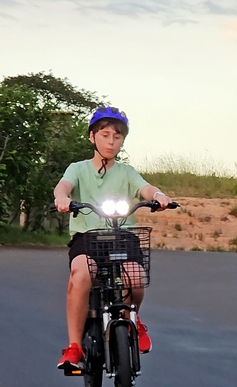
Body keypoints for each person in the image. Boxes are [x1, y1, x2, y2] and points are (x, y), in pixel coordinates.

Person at [54, 106, 173, 371]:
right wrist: (62, 197)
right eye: (105, 135)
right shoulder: (78, 169)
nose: (111, 142)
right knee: (81, 274)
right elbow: (64, 185)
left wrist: (158, 196)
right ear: (92, 137)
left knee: (136, 276)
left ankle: (134, 319)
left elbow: (145, 188)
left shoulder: (126, 172)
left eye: (117, 137)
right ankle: (74, 347)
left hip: (122, 236)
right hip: (88, 238)